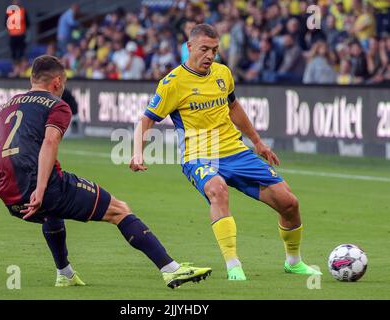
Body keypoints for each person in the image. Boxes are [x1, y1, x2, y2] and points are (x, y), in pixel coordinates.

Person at [0, 55, 211, 289]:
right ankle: (171, 270)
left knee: (52, 213)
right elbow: (50, 143)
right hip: (42, 189)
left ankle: (65, 273)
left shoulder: (6, 106)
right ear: (58, 82)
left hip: (9, 196)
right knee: (119, 210)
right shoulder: (57, 105)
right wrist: (39, 189)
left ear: (32, 79)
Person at [130, 24, 322, 281]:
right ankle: (234, 265)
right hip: (198, 156)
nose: (210, 55)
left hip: (236, 152)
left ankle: (294, 262)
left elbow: (234, 107)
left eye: (215, 50)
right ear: (189, 48)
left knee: (289, 203)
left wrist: (258, 142)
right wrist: (137, 153)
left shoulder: (223, 73)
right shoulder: (172, 83)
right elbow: (145, 121)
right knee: (217, 189)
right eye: (204, 49)